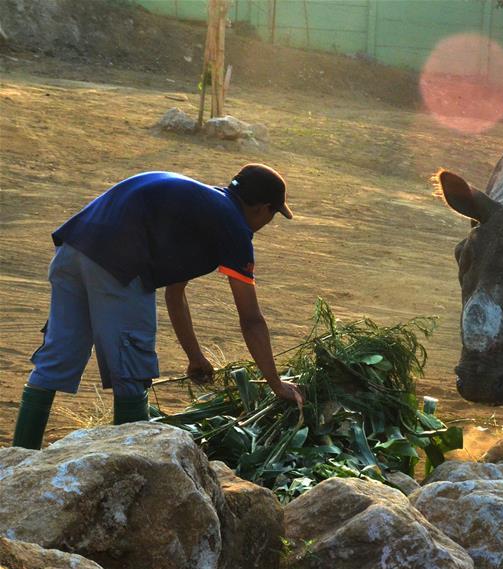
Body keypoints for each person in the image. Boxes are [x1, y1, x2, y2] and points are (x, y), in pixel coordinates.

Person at [12, 164, 305, 449]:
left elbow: (175, 293)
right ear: (262, 208)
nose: (269, 223)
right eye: (273, 215)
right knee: (131, 368)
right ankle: (130, 468)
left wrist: (195, 356)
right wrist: (276, 384)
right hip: (119, 265)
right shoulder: (234, 228)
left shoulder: (203, 206)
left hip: (72, 248)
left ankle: (20, 458)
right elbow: (251, 319)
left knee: (57, 356)